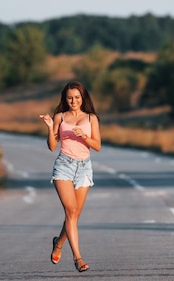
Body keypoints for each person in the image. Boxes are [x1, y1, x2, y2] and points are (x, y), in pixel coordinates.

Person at [39, 81, 101, 273]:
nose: (73, 101)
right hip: (64, 166)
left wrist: (83, 136)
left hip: (84, 168)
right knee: (71, 211)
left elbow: (97, 146)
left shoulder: (91, 118)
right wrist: (50, 128)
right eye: (70, 97)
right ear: (65, 99)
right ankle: (78, 258)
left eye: (77, 97)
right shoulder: (60, 117)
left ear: (83, 98)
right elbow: (51, 146)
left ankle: (58, 243)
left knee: (74, 215)